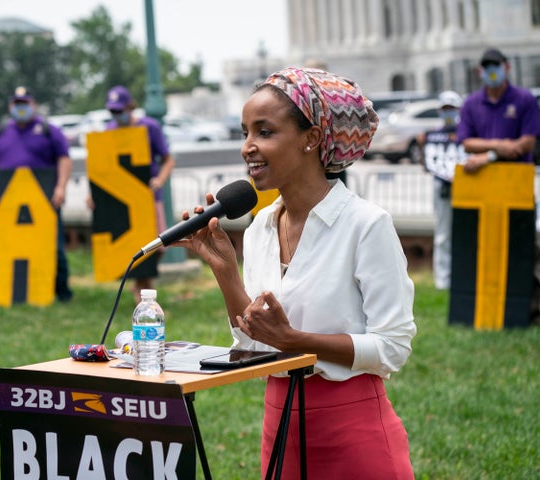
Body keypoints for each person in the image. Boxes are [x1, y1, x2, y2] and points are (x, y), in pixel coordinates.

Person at [177, 67, 416, 478]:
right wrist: (225, 272)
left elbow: (393, 347)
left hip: (352, 426)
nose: (247, 147)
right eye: (244, 132)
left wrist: (295, 341)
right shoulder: (259, 229)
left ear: (311, 139)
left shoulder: (365, 225)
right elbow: (255, 345)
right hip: (280, 422)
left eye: (264, 132)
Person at [456, 47, 540, 325]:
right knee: (482, 246)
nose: (491, 72)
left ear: (507, 68)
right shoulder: (472, 103)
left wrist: (489, 156)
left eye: (496, 66)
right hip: (481, 186)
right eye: (486, 67)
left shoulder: (524, 99)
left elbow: (526, 144)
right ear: (480, 72)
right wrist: (499, 146)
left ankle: (530, 310)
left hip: (515, 184)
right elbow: (466, 141)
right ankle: (481, 306)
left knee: (525, 247)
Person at [0, 86, 74, 302]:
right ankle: (16, 291)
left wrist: (61, 186)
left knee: (54, 247)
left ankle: (62, 292)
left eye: (25, 103)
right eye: (17, 103)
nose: (20, 107)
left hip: (43, 199)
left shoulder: (48, 130)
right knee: (11, 247)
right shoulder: (3, 130)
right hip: (10, 202)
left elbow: (64, 158)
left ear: (33, 104)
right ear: (10, 106)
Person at [91, 85, 175, 304]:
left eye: (120, 110)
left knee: (159, 245)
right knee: (133, 245)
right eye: (113, 112)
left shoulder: (150, 127)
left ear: (130, 107)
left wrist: (159, 180)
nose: (117, 115)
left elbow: (167, 159)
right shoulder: (109, 131)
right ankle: (143, 289)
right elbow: (102, 170)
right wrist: (95, 195)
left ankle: (141, 287)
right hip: (121, 200)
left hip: (148, 197)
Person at [418, 90, 466, 290]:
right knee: (443, 233)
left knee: (464, 232)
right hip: (442, 186)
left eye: (452, 109)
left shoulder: (467, 133)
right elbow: (426, 162)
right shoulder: (431, 135)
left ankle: (462, 275)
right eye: (445, 109)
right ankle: (443, 280)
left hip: (465, 184)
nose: (448, 113)